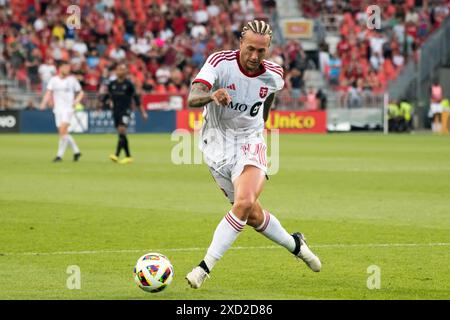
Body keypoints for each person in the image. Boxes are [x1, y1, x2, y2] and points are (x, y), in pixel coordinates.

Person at [185, 20, 321, 289]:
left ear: (268, 48)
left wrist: (260, 127)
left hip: (250, 141)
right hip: (216, 146)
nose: (254, 57)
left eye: (261, 51)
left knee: (244, 202)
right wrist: (212, 95)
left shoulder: (274, 74)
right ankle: (297, 244)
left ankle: (204, 268)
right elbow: (193, 96)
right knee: (252, 215)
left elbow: (267, 100)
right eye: (250, 49)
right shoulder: (220, 62)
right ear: (240, 43)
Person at [102, 64, 148, 164]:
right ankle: (128, 156)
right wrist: (100, 106)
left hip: (126, 111)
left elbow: (136, 99)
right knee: (121, 133)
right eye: (118, 69)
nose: (120, 72)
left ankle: (117, 154)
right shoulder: (112, 84)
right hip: (116, 111)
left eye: (122, 70)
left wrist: (143, 112)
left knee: (122, 129)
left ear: (126, 72)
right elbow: (107, 96)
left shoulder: (129, 84)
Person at [40, 61, 83, 162]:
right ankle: (76, 152)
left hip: (68, 109)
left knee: (62, 131)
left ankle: (59, 156)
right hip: (57, 109)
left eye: (68, 67)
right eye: (65, 67)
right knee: (64, 133)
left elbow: (80, 92)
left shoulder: (72, 80)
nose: (68, 69)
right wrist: (43, 103)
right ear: (60, 68)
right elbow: (48, 93)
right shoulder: (54, 80)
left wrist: (76, 101)